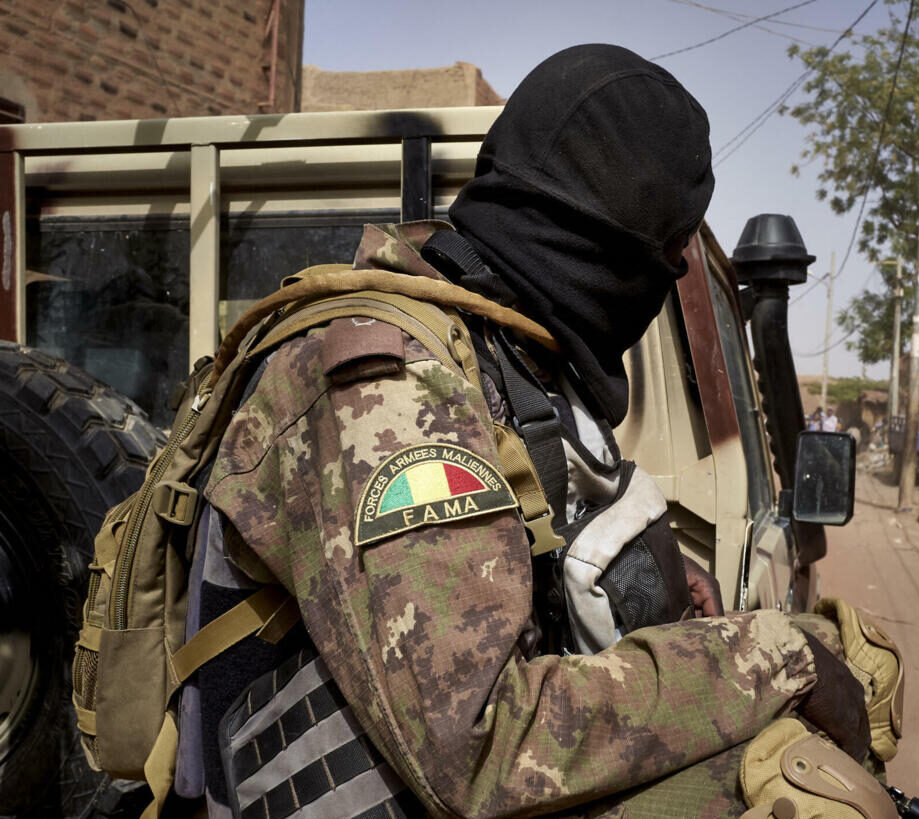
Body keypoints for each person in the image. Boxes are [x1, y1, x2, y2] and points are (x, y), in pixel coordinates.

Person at [197, 45, 877, 817]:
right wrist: (769, 657)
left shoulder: (503, 349)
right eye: (672, 250)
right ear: (621, 251)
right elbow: (477, 744)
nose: (674, 272)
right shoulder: (393, 388)